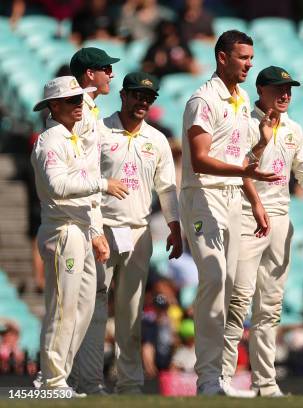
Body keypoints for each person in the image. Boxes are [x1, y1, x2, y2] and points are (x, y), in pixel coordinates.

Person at [221, 65, 303, 397]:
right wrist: (256, 201)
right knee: (238, 300)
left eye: (289, 89)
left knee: (270, 306)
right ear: (261, 90)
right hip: (246, 217)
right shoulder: (243, 124)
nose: (286, 94)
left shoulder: (294, 129)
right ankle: (224, 379)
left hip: (281, 220)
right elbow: (237, 170)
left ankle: (265, 383)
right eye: (279, 88)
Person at [179, 29, 280, 396]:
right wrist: (245, 172)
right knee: (215, 278)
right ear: (222, 57)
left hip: (234, 197)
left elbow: (242, 160)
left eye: (251, 58)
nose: (249, 65)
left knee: (234, 287)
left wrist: (262, 143)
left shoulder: (240, 100)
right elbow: (200, 160)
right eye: (243, 57)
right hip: (203, 196)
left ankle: (219, 377)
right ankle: (206, 378)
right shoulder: (203, 99)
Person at [31, 76, 126, 392]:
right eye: (72, 101)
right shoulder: (51, 140)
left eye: (81, 100)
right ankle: (51, 379)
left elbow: (86, 196)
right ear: (54, 106)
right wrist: (102, 184)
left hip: (82, 231)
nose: (79, 106)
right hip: (62, 232)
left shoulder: (76, 138)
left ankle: (60, 377)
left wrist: (96, 230)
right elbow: (58, 186)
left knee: (84, 309)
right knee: (63, 308)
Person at [94, 71, 182, 393]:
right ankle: (88, 380)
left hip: (139, 231)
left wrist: (174, 227)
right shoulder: (100, 131)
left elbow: (168, 190)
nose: (142, 102)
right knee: (94, 307)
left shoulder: (157, 139)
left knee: (131, 312)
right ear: (124, 95)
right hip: (102, 229)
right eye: (137, 95)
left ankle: (129, 383)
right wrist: (91, 228)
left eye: (148, 98)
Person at [67, 46, 123, 396]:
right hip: (75, 219)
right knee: (75, 306)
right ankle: (58, 381)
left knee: (92, 305)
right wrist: (93, 229)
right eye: (105, 69)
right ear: (89, 74)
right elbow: (77, 172)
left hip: (88, 215)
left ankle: (87, 380)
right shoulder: (77, 112)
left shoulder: (89, 110)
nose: (111, 75)